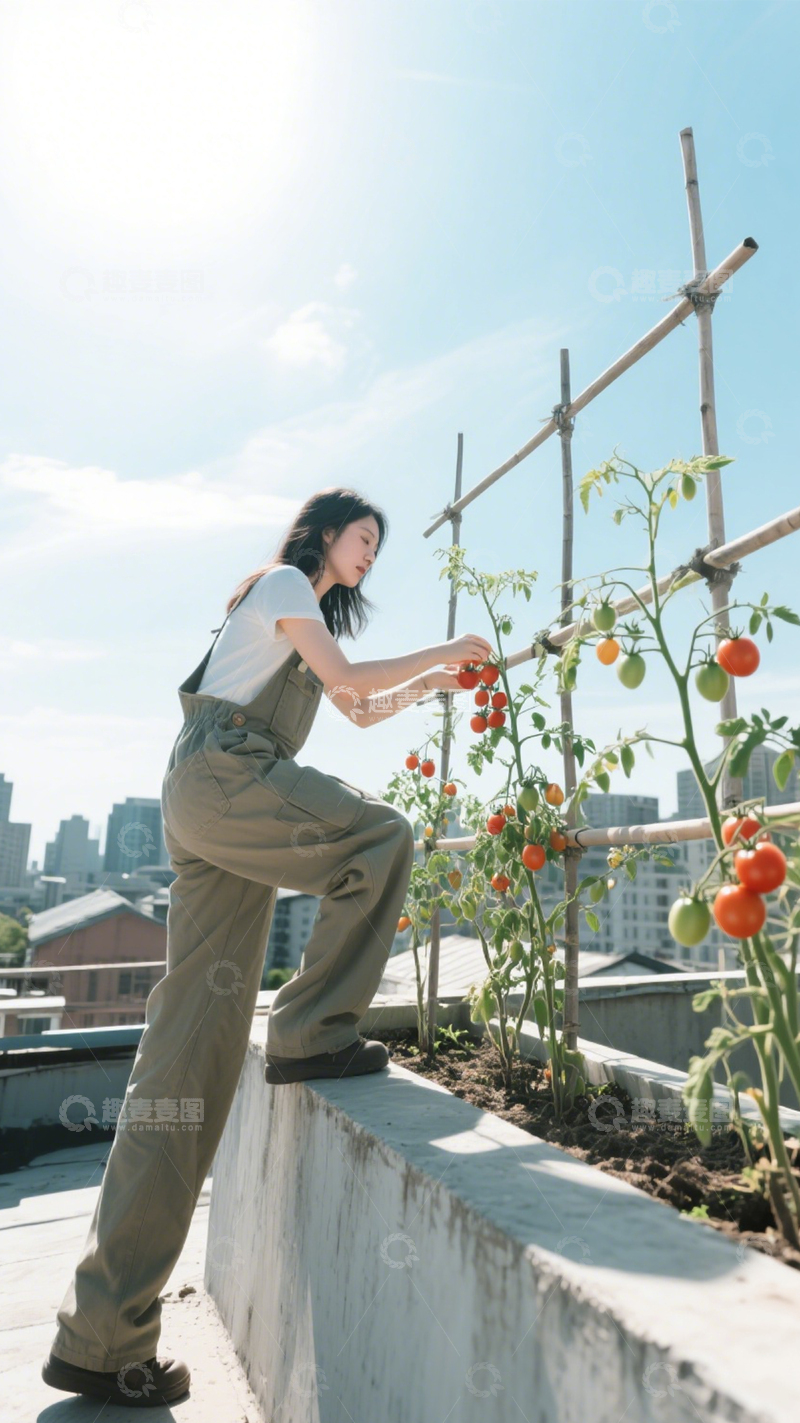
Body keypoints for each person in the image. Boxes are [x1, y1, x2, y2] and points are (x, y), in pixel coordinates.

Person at [41, 486, 494, 1407]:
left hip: (212, 794)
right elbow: (351, 681)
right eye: (365, 537)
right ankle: (311, 1029)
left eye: (377, 545)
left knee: (187, 1064)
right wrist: (447, 648)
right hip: (226, 772)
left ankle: (100, 1334)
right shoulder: (286, 580)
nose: (370, 554)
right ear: (327, 533)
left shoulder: (302, 619)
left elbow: (360, 706)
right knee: (381, 838)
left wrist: (434, 688)